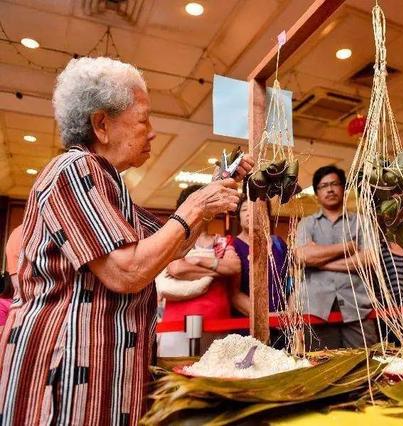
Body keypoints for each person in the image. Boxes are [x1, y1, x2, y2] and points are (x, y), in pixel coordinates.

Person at [0, 57, 253, 425]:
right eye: (143, 119)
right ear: (101, 124)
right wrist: (198, 204)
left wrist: (214, 189)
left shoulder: (109, 186)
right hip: (68, 379)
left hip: (104, 379)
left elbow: (171, 245)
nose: (151, 132)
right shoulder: (74, 170)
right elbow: (127, 271)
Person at [295, 165, 378, 350]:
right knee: (321, 368)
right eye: (323, 186)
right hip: (316, 308)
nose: (330, 189)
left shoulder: (361, 222)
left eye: (334, 184)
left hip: (358, 306)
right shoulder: (306, 224)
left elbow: (370, 259)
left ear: (343, 188)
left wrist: (319, 261)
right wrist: (348, 247)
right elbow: (302, 257)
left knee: (364, 365)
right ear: (316, 193)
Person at [157, 185, 242, 356]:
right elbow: (177, 268)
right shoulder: (175, 241)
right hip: (177, 323)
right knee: (177, 377)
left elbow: (234, 267)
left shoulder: (224, 241)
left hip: (218, 322)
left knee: (213, 378)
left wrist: (197, 260)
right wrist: (218, 270)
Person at [231, 198, 288, 347]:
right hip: (247, 327)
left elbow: (290, 283)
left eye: (256, 208)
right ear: (238, 216)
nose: (251, 213)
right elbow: (234, 294)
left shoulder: (278, 243)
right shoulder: (233, 246)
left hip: (282, 327)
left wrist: (289, 316)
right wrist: (265, 318)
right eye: (245, 210)